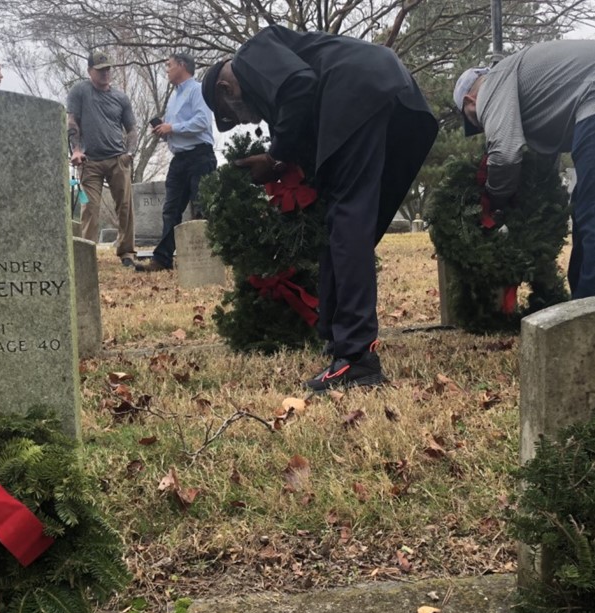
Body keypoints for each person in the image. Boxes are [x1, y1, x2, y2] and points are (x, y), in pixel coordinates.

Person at [202, 25, 437, 391]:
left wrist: (275, 154)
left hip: (358, 92)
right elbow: (305, 100)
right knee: (348, 224)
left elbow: (299, 86)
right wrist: (284, 166)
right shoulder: (283, 57)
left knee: (347, 221)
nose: (248, 122)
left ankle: (357, 357)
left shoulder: (250, 56)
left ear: (225, 88)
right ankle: (338, 337)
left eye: (235, 115)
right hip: (390, 94)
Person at [455, 40, 595, 300]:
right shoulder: (528, 89)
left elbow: (504, 155)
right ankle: (584, 302)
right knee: (591, 202)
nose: (483, 128)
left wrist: (491, 201)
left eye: (476, 122)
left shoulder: (493, 83)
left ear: (471, 102)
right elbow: (545, 163)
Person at [138, 52, 216, 272]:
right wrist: (165, 130)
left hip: (200, 156)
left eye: (169, 65)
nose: (167, 69)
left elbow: (202, 121)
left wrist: (172, 128)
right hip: (179, 159)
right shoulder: (174, 97)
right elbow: (179, 126)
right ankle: (162, 260)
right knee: (171, 209)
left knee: (202, 207)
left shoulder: (198, 90)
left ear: (182, 66)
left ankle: (208, 258)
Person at [67, 50, 138, 266]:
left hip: (118, 159)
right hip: (90, 162)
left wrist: (129, 153)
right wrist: (76, 150)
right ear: (90, 71)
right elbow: (72, 122)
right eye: (100, 70)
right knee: (89, 207)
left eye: (107, 69)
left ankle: (126, 253)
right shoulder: (80, 91)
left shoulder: (120, 97)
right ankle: (86, 255)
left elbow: (132, 129)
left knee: (125, 206)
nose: (105, 73)